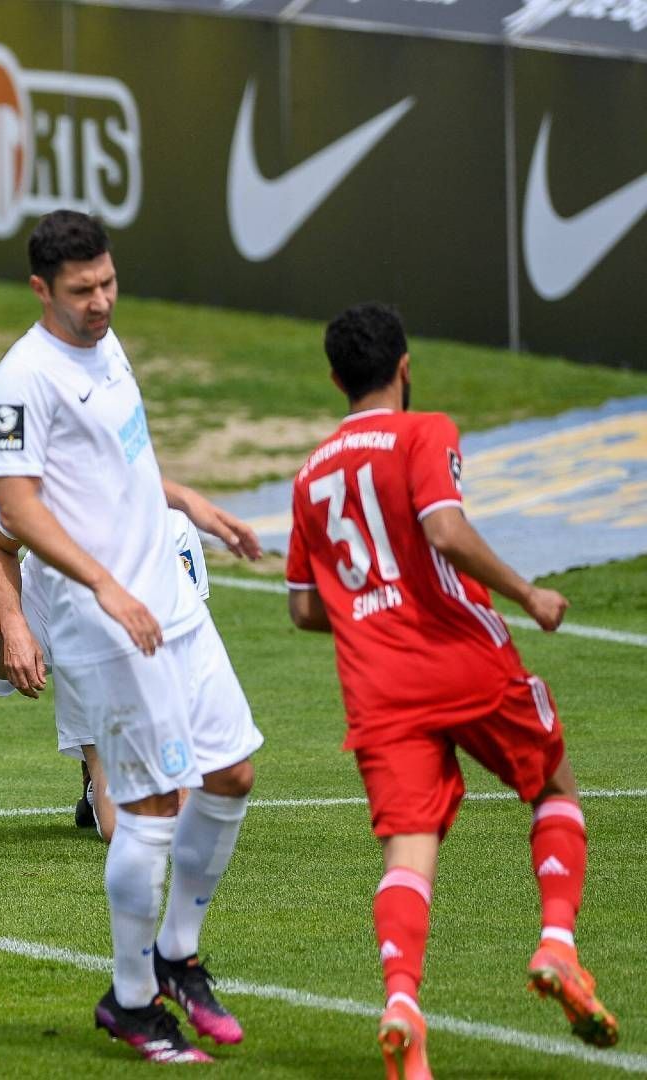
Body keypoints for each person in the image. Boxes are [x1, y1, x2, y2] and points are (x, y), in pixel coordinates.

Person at [285, 303, 618, 1078]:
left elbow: (304, 607)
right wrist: (528, 592)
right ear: (404, 365)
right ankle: (558, 946)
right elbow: (443, 528)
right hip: (463, 659)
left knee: (411, 845)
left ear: (336, 379)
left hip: (377, 685)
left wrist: (371, 611)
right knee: (552, 783)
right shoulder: (424, 429)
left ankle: (402, 1001)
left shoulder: (308, 474)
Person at [0, 210, 261, 1063]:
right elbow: (17, 504)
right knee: (148, 810)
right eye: (82, 291)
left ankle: (178, 952)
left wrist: (191, 502)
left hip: (169, 600)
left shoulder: (105, 344)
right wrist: (103, 583)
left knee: (233, 771)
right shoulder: (22, 377)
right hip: (102, 619)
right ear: (42, 290)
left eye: (108, 282)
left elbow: (123, 461)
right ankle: (134, 1000)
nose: (101, 301)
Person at [0, 491, 257, 848]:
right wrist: (16, 627)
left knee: (127, 830)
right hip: (46, 600)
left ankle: (99, 781)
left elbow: (179, 649)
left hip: (116, 654)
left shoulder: (167, 523)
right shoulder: (32, 482)